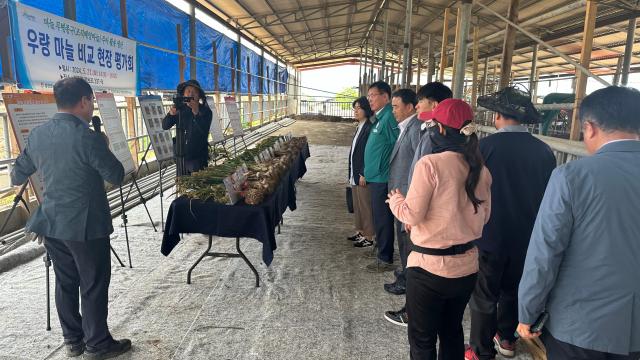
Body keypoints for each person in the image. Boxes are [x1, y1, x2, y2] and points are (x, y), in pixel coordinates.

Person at [517, 86, 640, 359]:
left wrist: (528, 312)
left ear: (590, 127)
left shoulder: (572, 176)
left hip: (582, 326)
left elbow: (545, 253)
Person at [10, 77, 130, 359]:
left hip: (52, 222)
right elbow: (115, 174)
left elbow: (17, 174)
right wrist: (105, 145)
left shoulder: (38, 134)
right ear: (85, 101)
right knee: (93, 283)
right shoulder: (87, 137)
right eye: (91, 103)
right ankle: (98, 344)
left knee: (66, 282)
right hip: (86, 226)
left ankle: (73, 341)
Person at [388, 99, 491, 360]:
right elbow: (484, 217)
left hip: (428, 269)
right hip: (466, 268)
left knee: (422, 339)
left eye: (433, 124)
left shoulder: (430, 164)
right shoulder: (481, 169)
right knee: (451, 332)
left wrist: (396, 200)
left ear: (441, 130)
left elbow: (411, 214)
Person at [465, 87, 556, 360]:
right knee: (514, 289)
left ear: (498, 117)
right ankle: (506, 338)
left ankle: (480, 350)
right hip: (528, 236)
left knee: (483, 293)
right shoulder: (544, 151)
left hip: (490, 233)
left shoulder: (486, 147)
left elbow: (470, 189)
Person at [384, 82, 453, 327]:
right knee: (410, 254)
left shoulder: (426, 131)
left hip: (414, 205)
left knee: (414, 256)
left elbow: (420, 171)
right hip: (412, 204)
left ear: (433, 105)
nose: (418, 107)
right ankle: (412, 293)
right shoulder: (432, 131)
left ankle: (414, 309)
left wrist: (411, 208)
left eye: (421, 102)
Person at [384, 88, 420, 295]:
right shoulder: (405, 127)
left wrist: (411, 200)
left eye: (396, 106)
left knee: (407, 243)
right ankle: (405, 273)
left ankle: (408, 281)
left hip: (407, 198)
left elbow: (418, 166)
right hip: (400, 196)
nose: (393, 111)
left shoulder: (416, 129)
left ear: (409, 107)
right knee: (403, 241)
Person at [363, 81, 399, 272]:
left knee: (383, 219)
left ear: (385, 96)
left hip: (382, 177)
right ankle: (380, 248)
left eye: (373, 95)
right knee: (378, 217)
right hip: (374, 176)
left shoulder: (389, 118)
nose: (370, 100)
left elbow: (397, 145)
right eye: (368, 96)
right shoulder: (379, 118)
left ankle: (385, 258)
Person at [162, 79, 213, 175]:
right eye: (188, 91)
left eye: (194, 92)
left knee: (197, 186)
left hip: (198, 158)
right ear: (184, 94)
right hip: (180, 156)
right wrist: (171, 114)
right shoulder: (180, 109)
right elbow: (165, 126)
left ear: (199, 96)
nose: (191, 94)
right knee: (182, 185)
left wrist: (196, 113)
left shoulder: (206, 111)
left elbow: (203, 131)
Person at [347, 96, 376, 247]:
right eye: (355, 108)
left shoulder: (369, 127)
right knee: (357, 205)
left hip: (362, 174)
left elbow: (369, 153)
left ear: (366, 109)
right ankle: (361, 231)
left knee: (365, 206)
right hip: (355, 172)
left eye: (359, 108)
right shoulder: (360, 126)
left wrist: (365, 172)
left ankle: (369, 237)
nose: (356, 111)